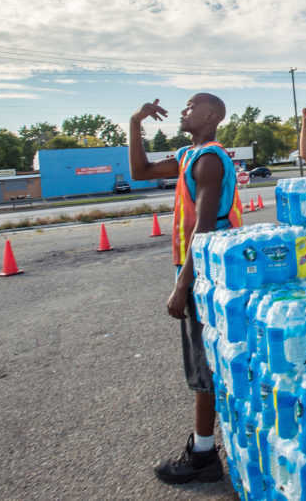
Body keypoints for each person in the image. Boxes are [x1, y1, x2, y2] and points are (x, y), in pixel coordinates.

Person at [129, 93, 243, 485]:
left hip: (207, 275)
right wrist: (134, 123)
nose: (183, 110)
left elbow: (205, 226)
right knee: (205, 362)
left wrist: (183, 284)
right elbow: (140, 170)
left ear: (211, 116)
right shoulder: (187, 156)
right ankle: (207, 446)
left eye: (191, 106)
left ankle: (203, 453)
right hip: (196, 270)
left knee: (203, 364)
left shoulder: (210, 159)